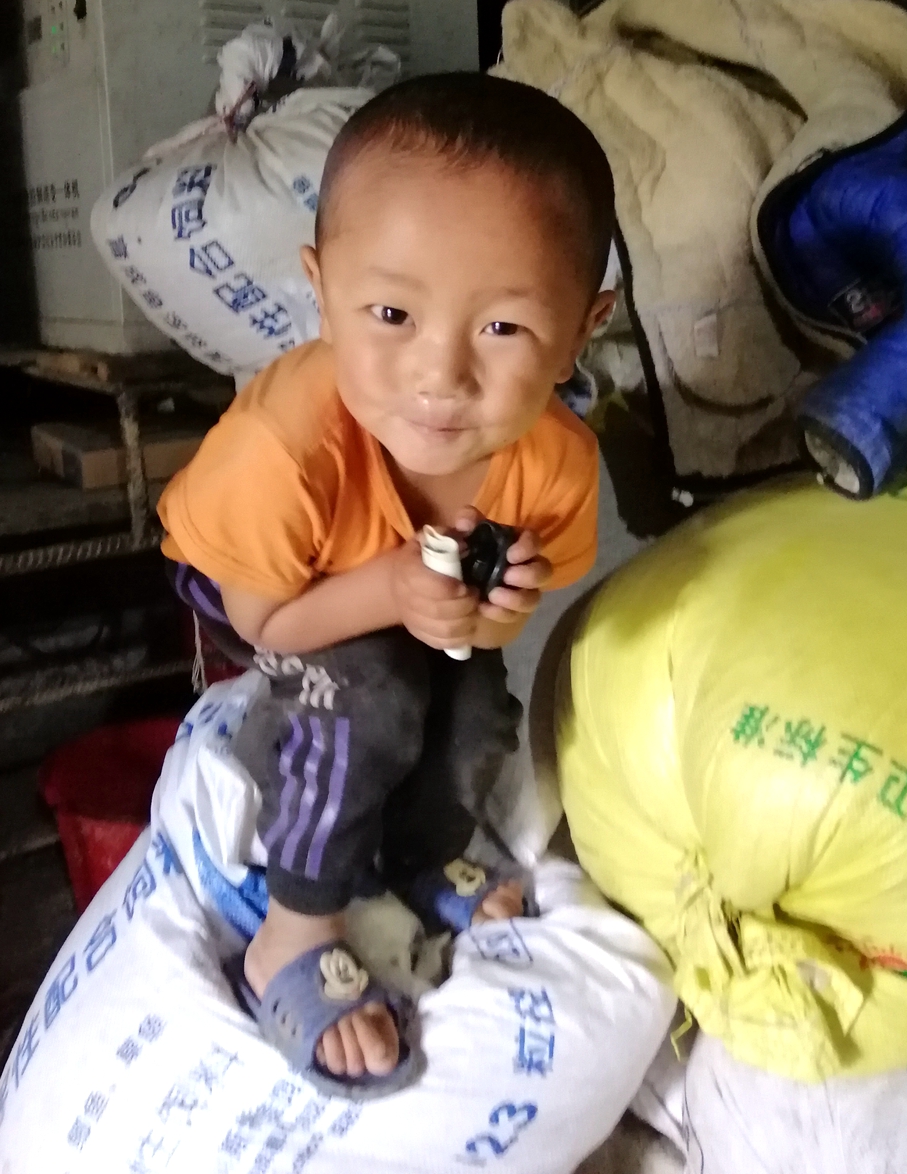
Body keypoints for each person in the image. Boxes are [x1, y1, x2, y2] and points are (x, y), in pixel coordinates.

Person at [158, 73, 616, 1096]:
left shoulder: (555, 460)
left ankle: (421, 853)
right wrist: (394, 595)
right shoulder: (282, 448)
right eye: (393, 312)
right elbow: (265, 622)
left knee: (472, 697)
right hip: (263, 578)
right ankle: (294, 927)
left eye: (504, 329)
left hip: (405, 578)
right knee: (371, 686)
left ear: (583, 330)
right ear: (321, 292)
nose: (440, 375)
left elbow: (500, 619)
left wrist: (491, 607)